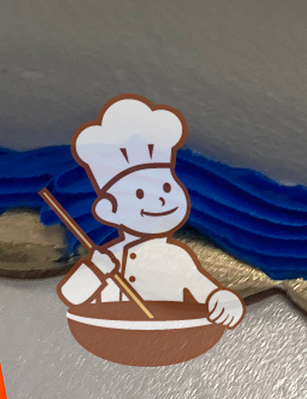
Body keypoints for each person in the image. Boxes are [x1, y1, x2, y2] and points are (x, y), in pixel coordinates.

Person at [56, 96, 245, 328]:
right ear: (109, 210)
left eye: (166, 187)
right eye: (139, 194)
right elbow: (73, 295)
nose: (160, 200)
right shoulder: (109, 257)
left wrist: (223, 300)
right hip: (109, 333)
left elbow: (206, 291)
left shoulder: (178, 257)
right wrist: (96, 269)